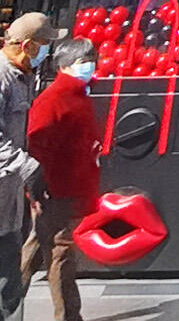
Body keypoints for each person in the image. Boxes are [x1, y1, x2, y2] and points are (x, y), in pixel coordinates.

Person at [21, 38, 100, 321]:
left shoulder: (77, 95)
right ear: (65, 66)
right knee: (60, 254)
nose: (90, 66)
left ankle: (8, 303)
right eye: (84, 61)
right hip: (57, 189)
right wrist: (38, 187)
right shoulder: (56, 99)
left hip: (65, 186)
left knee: (37, 249)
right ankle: (68, 316)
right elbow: (39, 145)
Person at [0, 12, 55, 321]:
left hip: (8, 201)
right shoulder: (2, 76)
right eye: (44, 45)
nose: (46, 52)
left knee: (9, 275)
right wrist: (30, 169)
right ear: (28, 46)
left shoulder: (22, 75)